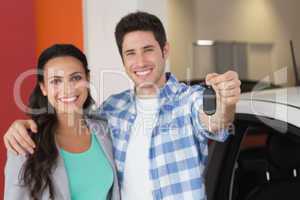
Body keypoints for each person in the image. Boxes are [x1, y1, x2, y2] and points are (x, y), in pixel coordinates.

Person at [4, 12, 241, 200]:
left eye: (148, 50)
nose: (140, 62)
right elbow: (69, 115)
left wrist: (226, 102)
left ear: (165, 50)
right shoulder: (112, 109)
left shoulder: (189, 100)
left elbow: (216, 122)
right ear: (123, 60)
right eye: (130, 53)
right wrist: (20, 125)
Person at [4, 44, 120, 200]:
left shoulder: (105, 129)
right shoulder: (25, 142)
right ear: (43, 88)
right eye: (56, 81)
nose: (68, 89)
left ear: (88, 79)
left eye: (76, 78)